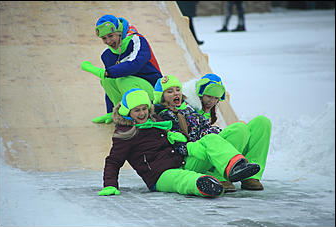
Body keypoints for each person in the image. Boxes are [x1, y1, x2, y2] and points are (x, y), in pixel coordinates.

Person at [98, 88, 260, 197]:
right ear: (128, 112)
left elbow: (174, 140)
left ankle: (234, 166)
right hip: (160, 176)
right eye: (137, 110)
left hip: (180, 162)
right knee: (183, 179)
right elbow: (114, 160)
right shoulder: (125, 133)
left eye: (144, 108)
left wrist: (187, 145)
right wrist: (110, 184)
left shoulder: (157, 121)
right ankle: (204, 185)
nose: (142, 113)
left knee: (210, 139)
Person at [153, 75, 271, 192]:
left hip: (207, 147)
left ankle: (250, 177)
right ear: (162, 96)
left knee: (262, 122)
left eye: (178, 90)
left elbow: (204, 128)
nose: (212, 101)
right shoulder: (164, 117)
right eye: (170, 91)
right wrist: (190, 147)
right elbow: (174, 144)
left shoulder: (187, 108)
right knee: (239, 129)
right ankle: (220, 175)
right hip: (193, 157)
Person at [81, 14, 162, 124]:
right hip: (132, 90)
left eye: (111, 36)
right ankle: (118, 113)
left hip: (154, 91)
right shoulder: (107, 55)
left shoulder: (136, 40)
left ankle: (144, 115)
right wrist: (110, 111)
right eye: (104, 38)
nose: (108, 41)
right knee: (107, 79)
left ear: (119, 32)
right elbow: (110, 82)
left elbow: (135, 64)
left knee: (122, 79)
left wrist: (107, 72)